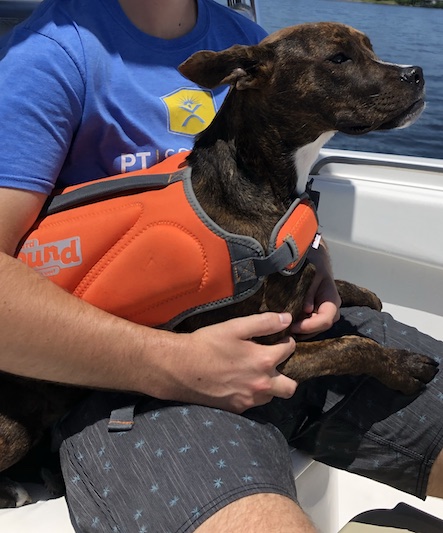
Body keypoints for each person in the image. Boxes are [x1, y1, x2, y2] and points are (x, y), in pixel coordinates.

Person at [0, 1, 441, 532]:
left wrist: (312, 253)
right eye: (343, 61)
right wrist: (175, 363)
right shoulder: (49, 55)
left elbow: (270, 183)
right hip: (125, 380)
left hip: (279, 334)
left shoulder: (246, 34)